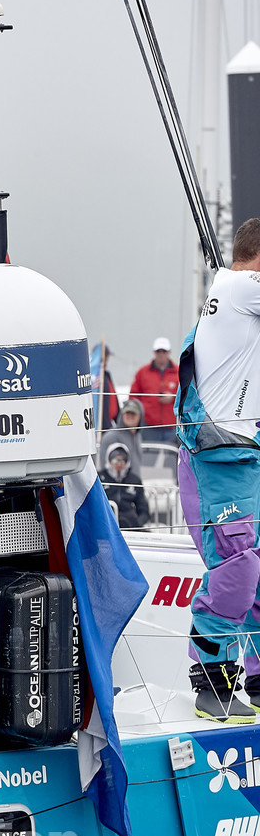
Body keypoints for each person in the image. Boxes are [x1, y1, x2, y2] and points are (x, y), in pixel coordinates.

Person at [176, 217, 260, 722]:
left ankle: (256, 674)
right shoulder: (235, 288)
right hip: (218, 461)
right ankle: (209, 675)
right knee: (236, 567)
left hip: (246, 454)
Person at [135, 337, 179, 444]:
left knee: (171, 458)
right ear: (154, 352)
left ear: (169, 352)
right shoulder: (143, 372)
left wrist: (173, 398)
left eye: (164, 351)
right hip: (149, 427)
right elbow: (134, 397)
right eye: (158, 351)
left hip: (172, 428)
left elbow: (187, 397)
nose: (161, 354)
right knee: (149, 458)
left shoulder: (179, 372)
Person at [102, 442, 149, 530]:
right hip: (106, 524)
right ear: (109, 460)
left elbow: (143, 509)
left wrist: (137, 523)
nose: (119, 464)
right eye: (115, 460)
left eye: (122, 460)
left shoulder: (134, 480)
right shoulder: (100, 479)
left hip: (130, 526)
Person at [99, 397, 144, 471]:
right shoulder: (111, 437)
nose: (130, 416)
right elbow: (105, 468)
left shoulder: (138, 436)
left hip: (135, 481)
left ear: (140, 416)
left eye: (133, 413)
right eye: (127, 413)